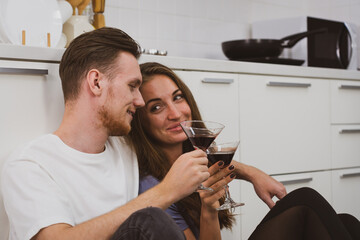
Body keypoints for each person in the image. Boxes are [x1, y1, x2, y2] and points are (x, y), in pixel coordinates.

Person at [1, 27, 213, 240]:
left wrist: (245, 172)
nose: (140, 101)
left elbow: (177, 146)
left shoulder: (126, 148)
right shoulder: (29, 165)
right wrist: (165, 192)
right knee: (150, 219)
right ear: (96, 83)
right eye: (132, 86)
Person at [127, 62, 360, 240]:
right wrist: (209, 210)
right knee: (305, 201)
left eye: (178, 98)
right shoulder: (154, 188)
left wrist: (252, 173)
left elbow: (209, 161)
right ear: (140, 121)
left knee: (346, 222)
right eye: (156, 107)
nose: (175, 113)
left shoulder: (192, 162)